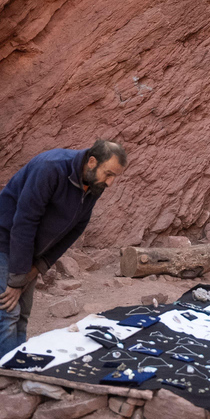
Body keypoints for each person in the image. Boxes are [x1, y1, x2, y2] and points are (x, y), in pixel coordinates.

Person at [0, 140, 127, 356]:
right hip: (5, 240)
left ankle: (17, 365)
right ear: (92, 161)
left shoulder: (94, 182)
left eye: (115, 176)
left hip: (29, 250)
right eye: (108, 174)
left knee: (22, 314)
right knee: (8, 312)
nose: (111, 182)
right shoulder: (50, 167)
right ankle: (7, 372)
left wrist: (38, 266)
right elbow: (24, 222)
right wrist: (17, 278)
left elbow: (74, 230)